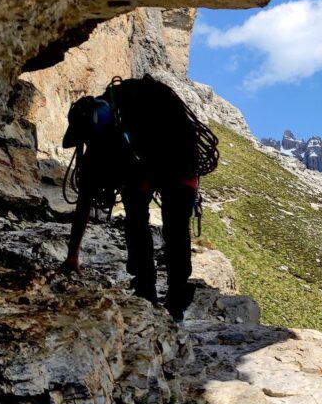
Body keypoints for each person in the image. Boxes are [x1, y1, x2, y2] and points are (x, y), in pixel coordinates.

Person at [59, 75, 213, 321]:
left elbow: (87, 196)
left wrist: (73, 254)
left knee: (160, 222)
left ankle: (163, 295)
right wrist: (72, 255)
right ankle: (157, 293)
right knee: (160, 223)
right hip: (157, 160)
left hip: (176, 156)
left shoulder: (137, 120)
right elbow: (85, 197)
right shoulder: (106, 139)